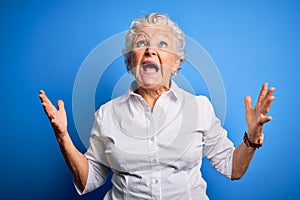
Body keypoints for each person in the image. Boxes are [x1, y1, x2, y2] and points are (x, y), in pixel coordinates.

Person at [39, 13, 275, 200]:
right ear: (130, 61)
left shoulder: (200, 108)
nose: (151, 49)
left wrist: (252, 137)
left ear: (176, 62)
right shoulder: (106, 114)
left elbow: (233, 169)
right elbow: (88, 179)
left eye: (162, 44)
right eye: (142, 43)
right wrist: (63, 137)